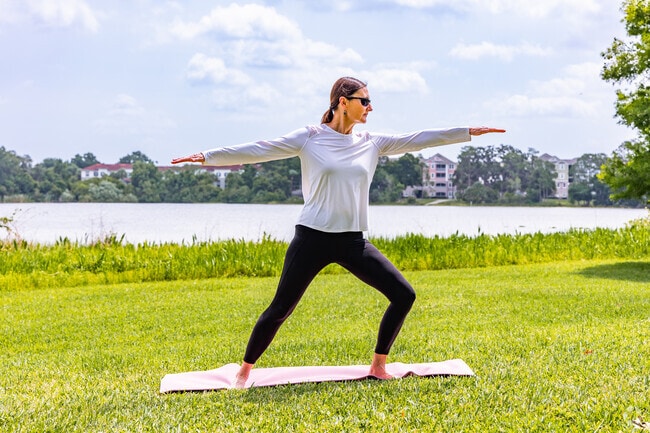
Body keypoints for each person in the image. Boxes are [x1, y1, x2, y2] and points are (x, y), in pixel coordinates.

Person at [172, 76, 505, 387]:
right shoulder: (310, 137)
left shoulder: (372, 142)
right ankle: (243, 372)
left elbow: (418, 139)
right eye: (365, 100)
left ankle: (378, 366)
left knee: (404, 295)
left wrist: (468, 131)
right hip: (312, 238)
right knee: (280, 309)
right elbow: (261, 148)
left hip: (352, 241)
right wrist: (207, 156)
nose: (370, 107)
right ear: (343, 102)